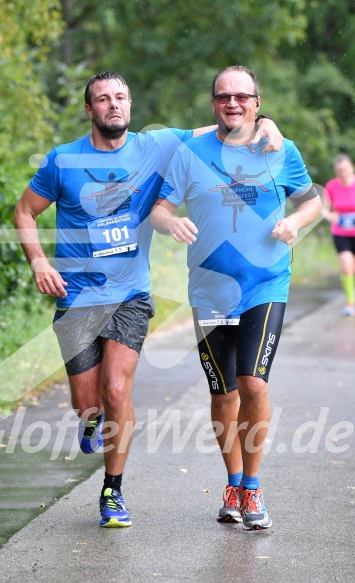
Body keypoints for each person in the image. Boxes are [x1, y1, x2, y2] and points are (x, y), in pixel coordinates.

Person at [13, 71, 284, 528]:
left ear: (131, 105)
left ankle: (112, 492)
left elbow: (224, 125)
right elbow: (24, 211)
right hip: (77, 296)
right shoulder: (62, 161)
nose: (113, 105)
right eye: (102, 99)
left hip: (130, 296)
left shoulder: (155, 146)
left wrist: (268, 122)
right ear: (90, 110)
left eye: (120, 97)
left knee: (117, 390)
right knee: (89, 404)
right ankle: (90, 419)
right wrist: (39, 261)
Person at [151, 65, 322, 530]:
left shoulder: (280, 149)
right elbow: (161, 207)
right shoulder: (190, 153)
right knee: (223, 392)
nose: (233, 103)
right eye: (224, 96)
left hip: (266, 284)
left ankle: (252, 486)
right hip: (209, 290)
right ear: (213, 104)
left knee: (253, 384)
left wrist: (296, 223)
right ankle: (231, 483)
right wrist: (172, 223)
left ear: (257, 103)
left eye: (242, 96)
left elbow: (313, 201)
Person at [322, 154, 355, 316]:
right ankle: (350, 301)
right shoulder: (331, 186)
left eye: (345, 169)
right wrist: (330, 216)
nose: (343, 172)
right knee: (347, 267)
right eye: (339, 170)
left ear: (352, 167)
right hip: (341, 233)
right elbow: (323, 209)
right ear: (336, 170)